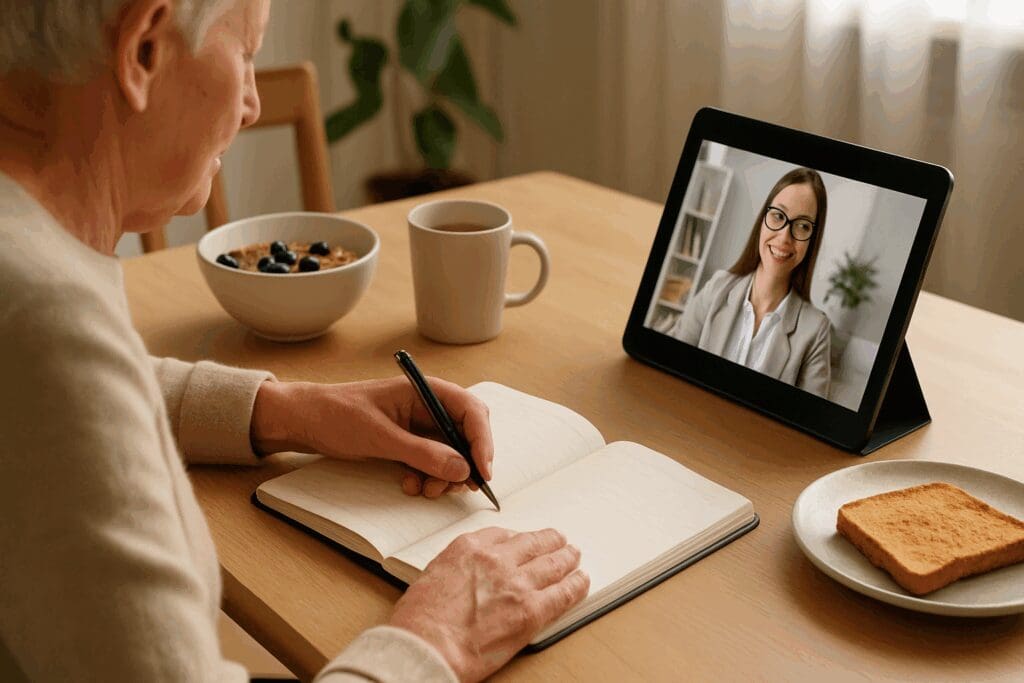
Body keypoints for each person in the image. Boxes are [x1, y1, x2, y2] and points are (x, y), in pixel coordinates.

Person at [0, 1, 589, 681]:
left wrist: (289, 410)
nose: (251, 104)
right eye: (246, 52)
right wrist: (434, 642)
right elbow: (59, 373)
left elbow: (54, 399)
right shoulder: (45, 321)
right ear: (143, 52)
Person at [672, 167, 831, 397]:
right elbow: (671, 362)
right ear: (763, 219)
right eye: (778, 215)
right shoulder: (717, 288)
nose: (785, 237)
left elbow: (813, 423)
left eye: (803, 225)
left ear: (812, 241)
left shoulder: (816, 331)